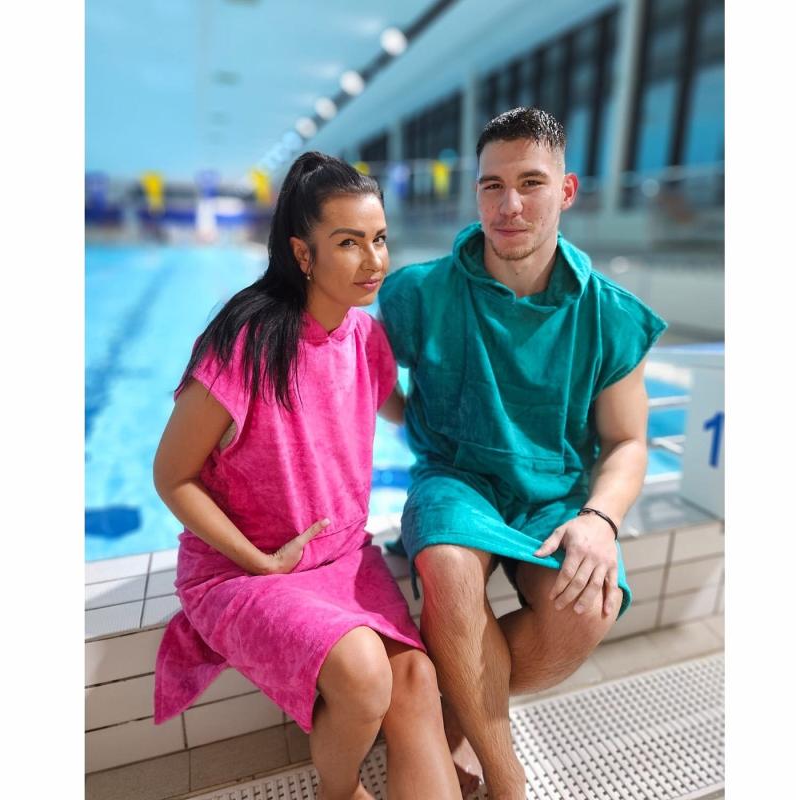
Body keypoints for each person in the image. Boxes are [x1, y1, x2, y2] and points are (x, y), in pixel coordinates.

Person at [378, 107, 667, 800]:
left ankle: (446, 717)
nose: (508, 206)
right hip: (456, 480)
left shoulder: (608, 314)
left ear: (565, 191)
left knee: (586, 610)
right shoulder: (418, 293)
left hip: (556, 493)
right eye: (492, 185)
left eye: (530, 183)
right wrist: (411, 420)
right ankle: (509, 781)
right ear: (476, 192)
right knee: (448, 567)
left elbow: (628, 441)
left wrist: (600, 519)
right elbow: (360, 379)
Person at [152, 152, 461, 800]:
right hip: (243, 569)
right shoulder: (245, 344)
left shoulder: (364, 338)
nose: (373, 260)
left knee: (415, 680)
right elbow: (172, 476)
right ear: (303, 253)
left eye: (379, 239)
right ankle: (338, 792)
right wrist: (261, 561)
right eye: (348, 243)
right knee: (366, 675)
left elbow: (410, 416)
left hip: (340, 557)